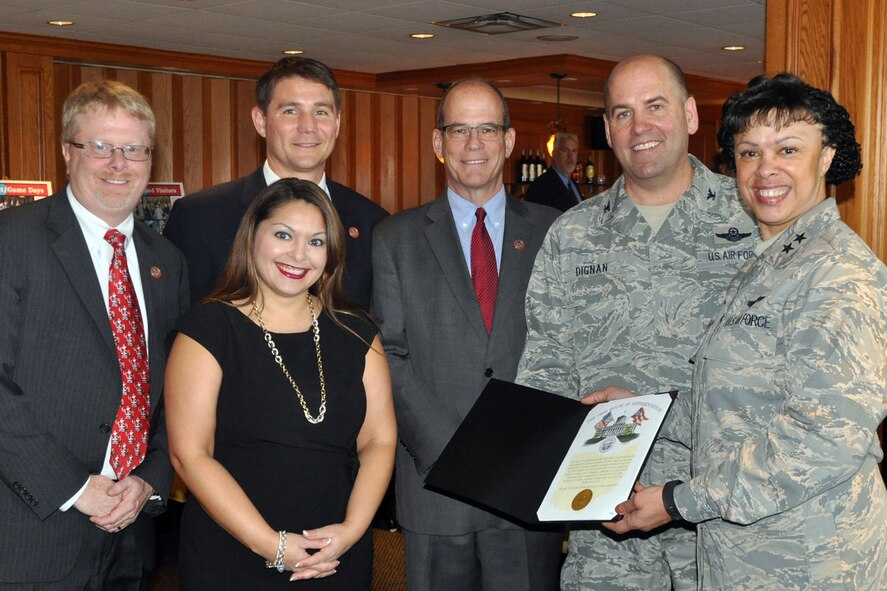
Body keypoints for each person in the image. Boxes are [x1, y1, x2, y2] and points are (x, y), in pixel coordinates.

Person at [600, 73, 887, 589]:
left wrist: (676, 502)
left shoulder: (839, 276)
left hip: (808, 562)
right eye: (749, 153)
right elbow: (741, 402)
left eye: (788, 149)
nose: (766, 169)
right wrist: (647, 408)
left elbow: (822, 439)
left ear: (826, 158)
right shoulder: (769, 263)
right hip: (741, 557)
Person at [515, 55, 758, 591]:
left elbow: (771, 381)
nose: (639, 126)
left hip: (721, 525)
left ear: (691, 115)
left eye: (655, 106)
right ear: (607, 130)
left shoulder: (752, 221)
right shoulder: (571, 236)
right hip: (607, 528)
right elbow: (544, 372)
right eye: (622, 113)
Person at [372, 78, 563, 590]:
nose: (472, 144)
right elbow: (388, 354)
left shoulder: (557, 231)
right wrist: (453, 452)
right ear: (439, 144)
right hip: (435, 484)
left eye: (486, 129)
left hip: (528, 482)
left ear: (507, 140)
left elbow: (571, 344)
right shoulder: (395, 238)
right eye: (458, 130)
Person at [0, 80, 188, 588]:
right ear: (67, 152)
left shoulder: (165, 262)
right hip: (30, 527)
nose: (118, 164)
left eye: (134, 149)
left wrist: (150, 478)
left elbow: (175, 389)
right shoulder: (11, 241)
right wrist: (74, 487)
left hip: (130, 530)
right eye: (100, 147)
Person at [165, 178, 396, 589]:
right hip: (233, 547)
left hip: (336, 551)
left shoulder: (359, 332)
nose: (298, 254)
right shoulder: (208, 328)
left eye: (316, 242)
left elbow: (378, 440)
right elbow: (190, 455)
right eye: (283, 235)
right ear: (252, 235)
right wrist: (270, 545)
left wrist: (352, 530)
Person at [163, 57, 388, 310]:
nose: (308, 127)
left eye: (321, 112)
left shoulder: (373, 223)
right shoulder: (199, 218)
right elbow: (180, 326)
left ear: (336, 124)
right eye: (290, 111)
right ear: (261, 121)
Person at [524, 132, 584, 211]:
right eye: (564, 150)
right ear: (554, 154)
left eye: (574, 151)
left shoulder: (573, 185)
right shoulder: (540, 186)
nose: (570, 156)